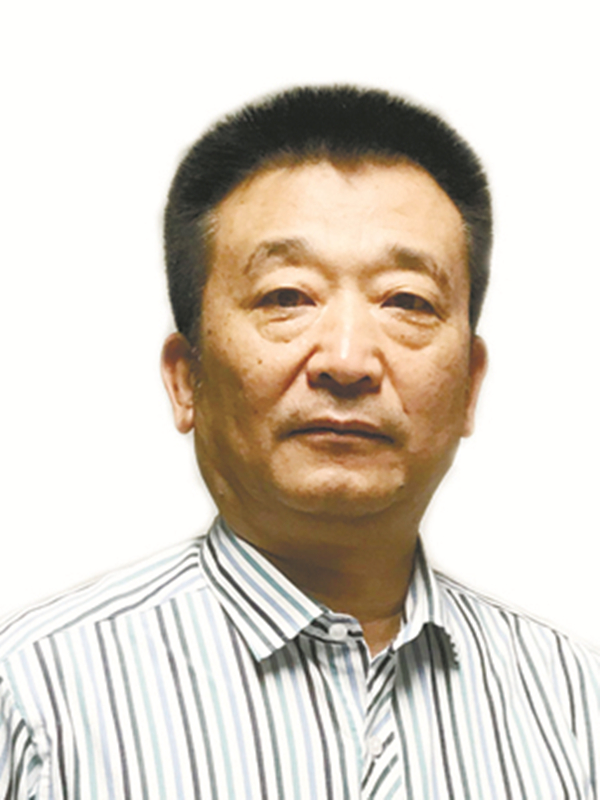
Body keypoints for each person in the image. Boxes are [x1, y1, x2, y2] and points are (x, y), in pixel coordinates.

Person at [1, 85, 598, 799]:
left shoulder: (571, 703)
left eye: (407, 301)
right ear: (186, 378)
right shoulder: (37, 696)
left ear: (470, 386)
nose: (347, 360)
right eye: (286, 297)